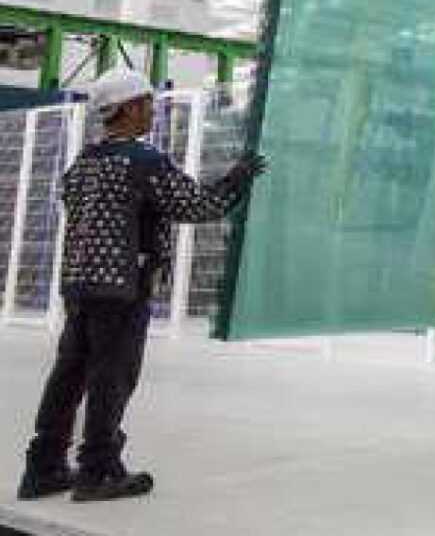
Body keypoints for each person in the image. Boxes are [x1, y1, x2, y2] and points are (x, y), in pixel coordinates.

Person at [18, 68, 265, 503]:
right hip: (122, 289)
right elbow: (198, 206)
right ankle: (98, 470)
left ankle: (44, 467)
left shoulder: (83, 163)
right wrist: (237, 179)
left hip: (79, 286)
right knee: (111, 378)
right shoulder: (143, 161)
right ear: (129, 107)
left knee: (69, 375)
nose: (153, 111)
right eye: (148, 103)